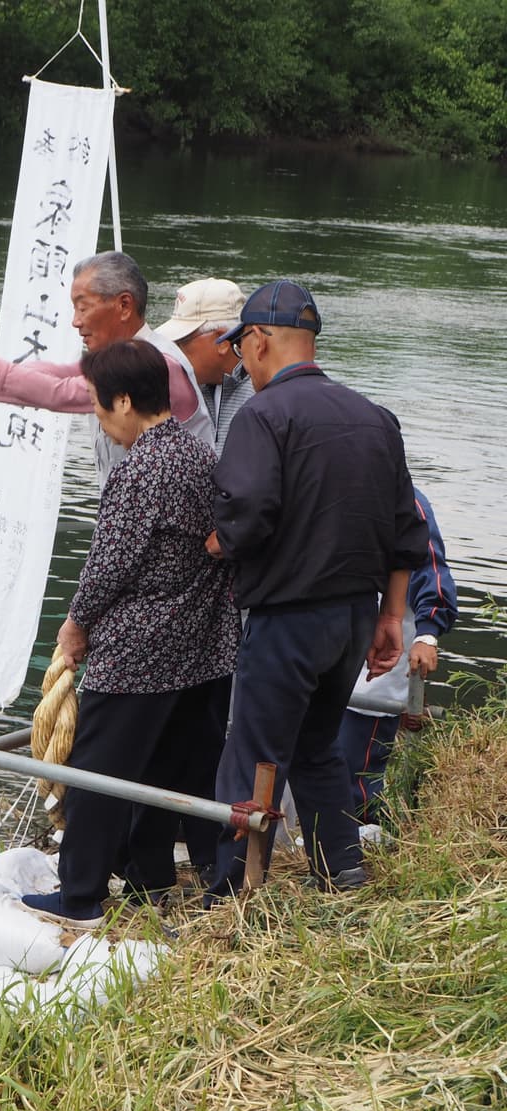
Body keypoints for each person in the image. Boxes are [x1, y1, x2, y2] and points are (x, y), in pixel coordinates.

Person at [204, 280, 429, 898]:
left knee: (253, 754)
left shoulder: (264, 415)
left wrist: (221, 540)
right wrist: (391, 616)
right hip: (354, 618)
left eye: (242, 350)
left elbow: (247, 511)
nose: (242, 366)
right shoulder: (374, 417)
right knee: (316, 745)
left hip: (288, 619)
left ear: (258, 340)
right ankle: (342, 871)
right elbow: (405, 530)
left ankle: (228, 895)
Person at [18, 340, 239, 929]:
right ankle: (196, 882)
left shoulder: (140, 469)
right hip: (203, 642)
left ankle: (81, 896)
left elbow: (109, 564)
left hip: (140, 648)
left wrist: (75, 625)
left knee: (97, 771)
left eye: (97, 404)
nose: (97, 417)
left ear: (123, 400)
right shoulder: (199, 454)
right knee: (187, 767)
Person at [0, 251, 215, 486]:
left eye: (83, 307)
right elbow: (45, 376)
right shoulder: (122, 359)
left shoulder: (157, 366)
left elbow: (56, 394)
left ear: (124, 305)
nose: (75, 322)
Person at [339, 487, 456, 823]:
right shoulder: (330, 482)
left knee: (357, 770)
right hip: (329, 654)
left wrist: (428, 634)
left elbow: (431, 569)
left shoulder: (406, 500)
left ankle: (356, 842)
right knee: (318, 760)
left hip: (376, 671)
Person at [154, 278, 254, 454]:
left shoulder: (262, 394)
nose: (173, 351)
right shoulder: (187, 385)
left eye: (182, 341)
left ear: (222, 341)